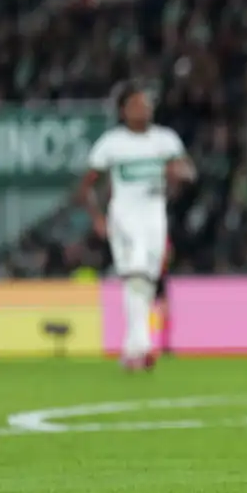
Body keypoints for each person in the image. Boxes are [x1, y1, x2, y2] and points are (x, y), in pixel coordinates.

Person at [78, 83, 196, 371]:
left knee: (143, 280)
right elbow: (86, 185)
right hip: (124, 214)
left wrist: (176, 174)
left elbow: (188, 171)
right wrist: (98, 218)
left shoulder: (165, 140)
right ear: (124, 110)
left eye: (147, 104)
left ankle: (131, 349)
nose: (144, 109)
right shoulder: (111, 143)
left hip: (155, 213)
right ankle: (143, 347)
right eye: (137, 104)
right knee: (138, 271)